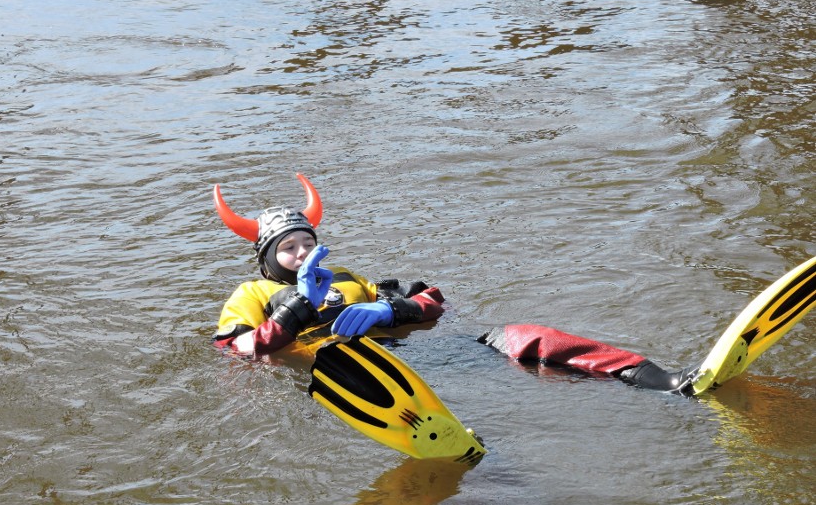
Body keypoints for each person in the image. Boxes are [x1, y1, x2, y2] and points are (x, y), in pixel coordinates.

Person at [212, 174, 445, 358]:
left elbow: (435, 303)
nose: (303, 252)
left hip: (392, 355)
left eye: (308, 243)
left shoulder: (344, 276)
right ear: (268, 258)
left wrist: (390, 311)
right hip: (326, 370)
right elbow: (232, 349)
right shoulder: (251, 293)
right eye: (289, 248)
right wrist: (299, 308)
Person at [477, 324, 698, 395]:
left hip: (473, 345)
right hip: (463, 357)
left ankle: (655, 379)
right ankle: (655, 381)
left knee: (521, 335)